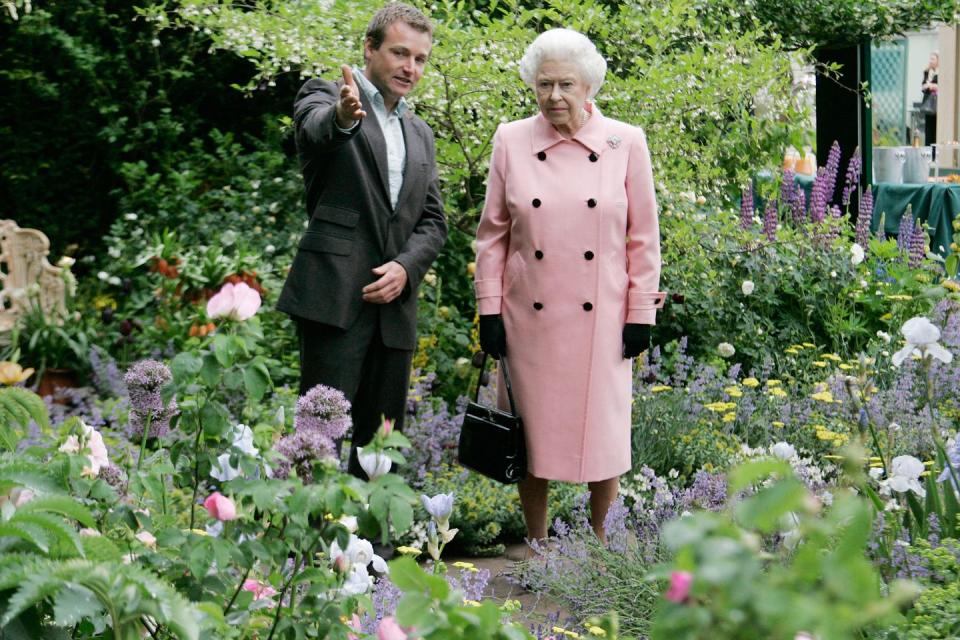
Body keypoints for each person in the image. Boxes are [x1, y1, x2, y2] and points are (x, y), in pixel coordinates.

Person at [474, 28, 664, 545]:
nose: (554, 96)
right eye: (543, 85)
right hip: (528, 319)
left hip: (601, 316)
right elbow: (492, 235)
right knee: (531, 438)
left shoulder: (625, 142)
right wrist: (489, 310)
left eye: (565, 85)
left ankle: (602, 549)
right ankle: (536, 545)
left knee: (602, 439)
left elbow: (643, 238)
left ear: (589, 88)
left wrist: (641, 312)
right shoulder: (510, 139)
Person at [278, 3, 447, 479]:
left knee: (380, 447)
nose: (410, 67)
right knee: (319, 439)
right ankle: (307, 550)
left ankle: (372, 550)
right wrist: (344, 117)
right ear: (370, 49)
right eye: (399, 53)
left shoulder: (421, 133)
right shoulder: (326, 96)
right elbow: (316, 131)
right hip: (336, 298)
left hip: (394, 310)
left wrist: (406, 268)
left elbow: (433, 221)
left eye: (419, 59)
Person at [921, 52, 939, 148]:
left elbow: (941, 87)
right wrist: (927, 85)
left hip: (937, 105)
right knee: (928, 130)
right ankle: (928, 153)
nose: (931, 61)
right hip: (928, 104)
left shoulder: (940, 73)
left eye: (933, 59)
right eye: (930, 59)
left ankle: (935, 153)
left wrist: (931, 85)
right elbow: (923, 86)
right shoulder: (927, 72)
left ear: (938, 61)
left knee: (936, 130)